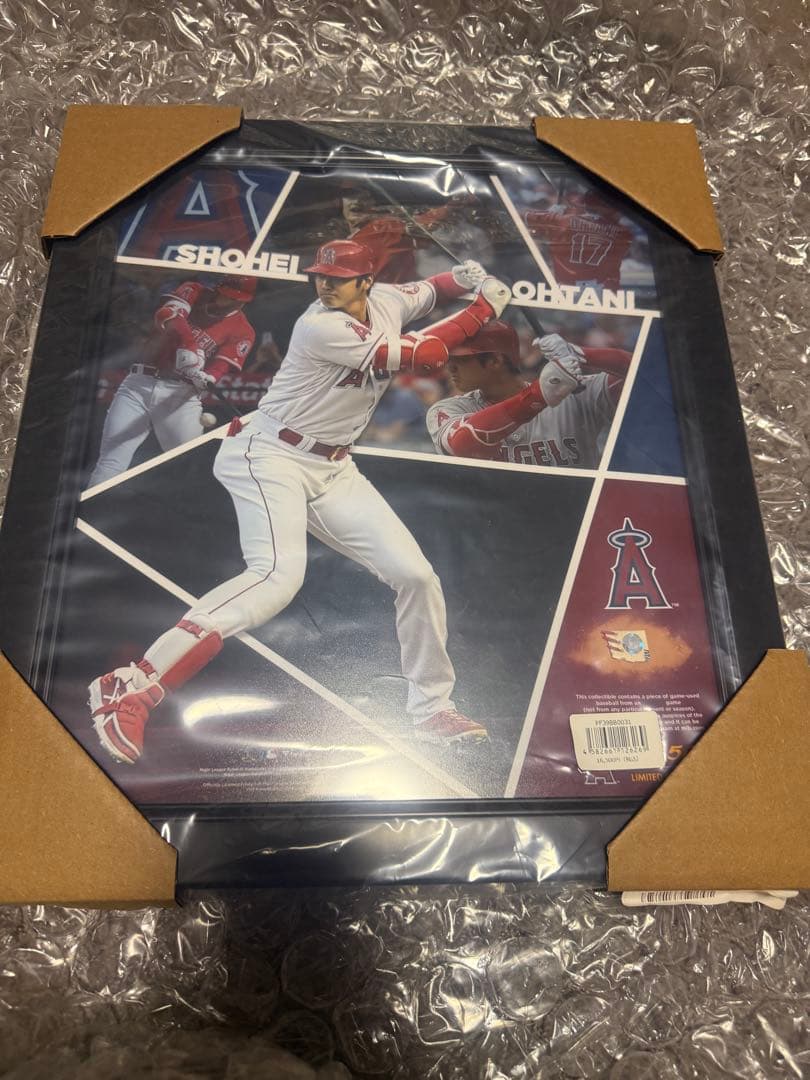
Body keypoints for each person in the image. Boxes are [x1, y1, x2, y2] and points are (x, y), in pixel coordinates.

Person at [88, 239, 511, 765]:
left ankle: (431, 710)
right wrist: (484, 309)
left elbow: (430, 289)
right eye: (320, 275)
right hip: (269, 454)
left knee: (417, 576)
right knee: (275, 578)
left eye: (338, 277)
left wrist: (463, 279)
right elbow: (424, 353)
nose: (325, 284)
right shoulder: (320, 325)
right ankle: (133, 685)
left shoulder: (389, 300)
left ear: (366, 281)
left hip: (333, 467)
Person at [88, 275, 257, 486]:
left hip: (181, 396)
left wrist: (207, 377)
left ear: (244, 301)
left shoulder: (244, 330)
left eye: (235, 298)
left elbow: (221, 365)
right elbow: (166, 314)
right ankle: (93, 505)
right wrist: (189, 344)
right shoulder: (194, 291)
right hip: (138, 385)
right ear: (218, 289)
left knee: (191, 463)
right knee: (111, 460)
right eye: (226, 294)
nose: (228, 300)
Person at [427, 321, 631, 469]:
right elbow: (461, 445)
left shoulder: (575, 393)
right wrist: (538, 396)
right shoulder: (448, 409)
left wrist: (580, 354)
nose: (449, 368)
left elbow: (640, 372)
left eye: (461, 360)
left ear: (495, 361)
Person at [524, 190, 634, 292]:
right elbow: (609, 223)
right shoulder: (624, 233)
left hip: (564, 289)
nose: (619, 212)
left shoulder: (562, 221)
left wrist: (551, 213)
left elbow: (524, 216)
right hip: (601, 291)